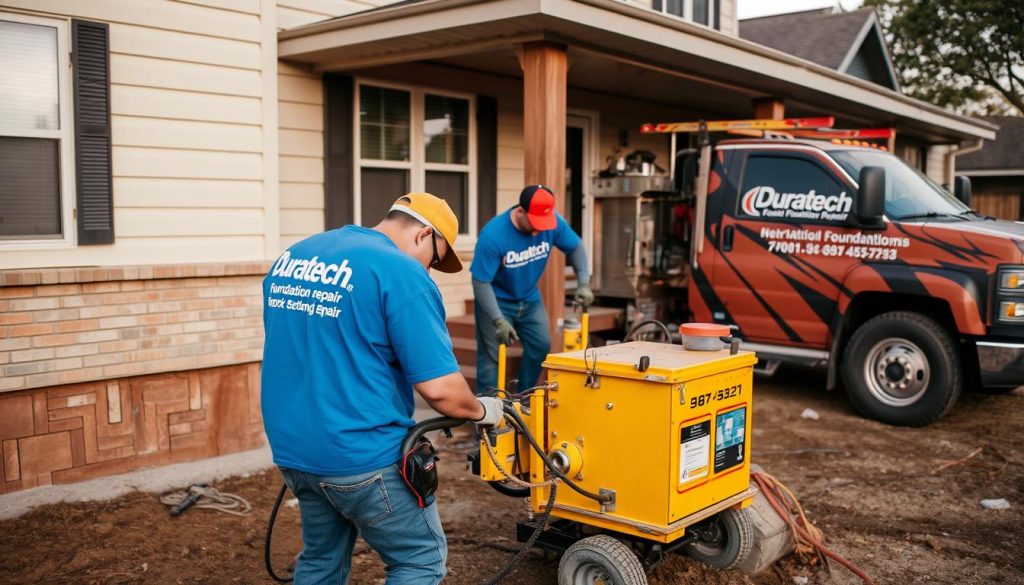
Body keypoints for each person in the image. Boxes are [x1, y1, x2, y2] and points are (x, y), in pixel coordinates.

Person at [261, 193, 504, 585]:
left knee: (322, 560)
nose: (432, 270)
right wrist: (482, 410)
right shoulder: (400, 273)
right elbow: (441, 389)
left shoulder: (297, 255)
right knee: (419, 560)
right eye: (437, 259)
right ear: (425, 234)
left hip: (295, 452)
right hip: (361, 455)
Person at [470, 185, 594, 393]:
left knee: (541, 345)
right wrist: (497, 319)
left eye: (543, 223)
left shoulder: (551, 223)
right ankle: (487, 417)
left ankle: (521, 397)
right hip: (496, 299)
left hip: (529, 298)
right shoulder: (493, 235)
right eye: (535, 223)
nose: (539, 229)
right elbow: (480, 281)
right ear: (520, 211)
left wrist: (583, 282)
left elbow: (575, 246)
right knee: (491, 359)